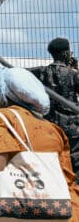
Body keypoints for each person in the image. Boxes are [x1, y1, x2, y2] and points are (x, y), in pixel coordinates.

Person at [0, 67, 79, 221]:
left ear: (6, 93)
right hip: (63, 211)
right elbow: (66, 178)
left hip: (18, 212)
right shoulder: (53, 129)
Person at [33, 37, 79, 182]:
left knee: (52, 159)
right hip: (72, 125)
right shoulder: (73, 74)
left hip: (50, 123)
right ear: (66, 53)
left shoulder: (41, 73)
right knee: (75, 160)